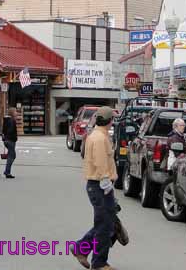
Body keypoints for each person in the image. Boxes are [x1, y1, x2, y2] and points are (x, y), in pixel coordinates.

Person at [73, 106, 117, 270]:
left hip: (99, 185)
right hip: (99, 184)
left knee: (106, 223)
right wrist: (106, 181)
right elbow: (100, 162)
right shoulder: (99, 138)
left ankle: (81, 248)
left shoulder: (98, 135)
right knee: (105, 224)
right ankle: (99, 263)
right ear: (109, 121)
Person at [2, 108, 18, 179]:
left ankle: (7, 171)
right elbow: (11, 130)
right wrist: (14, 137)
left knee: (12, 155)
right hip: (10, 140)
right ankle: (7, 172)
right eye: (15, 112)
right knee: (11, 156)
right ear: (12, 113)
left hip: (6, 140)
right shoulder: (12, 120)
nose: (16, 113)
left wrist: (4, 138)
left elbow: (3, 130)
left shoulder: (6, 120)